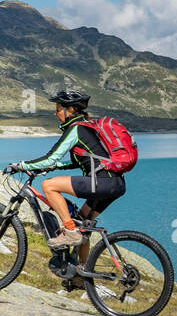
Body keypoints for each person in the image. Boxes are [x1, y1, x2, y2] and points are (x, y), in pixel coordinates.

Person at [7, 92, 126, 265]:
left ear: (70, 109)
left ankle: (69, 231)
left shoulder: (76, 128)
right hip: (116, 183)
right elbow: (86, 160)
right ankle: (83, 275)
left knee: (48, 186)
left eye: (58, 110)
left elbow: (51, 157)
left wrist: (22, 165)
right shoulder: (88, 126)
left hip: (101, 183)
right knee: (83, 227)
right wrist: (56, 167)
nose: (55, 114)